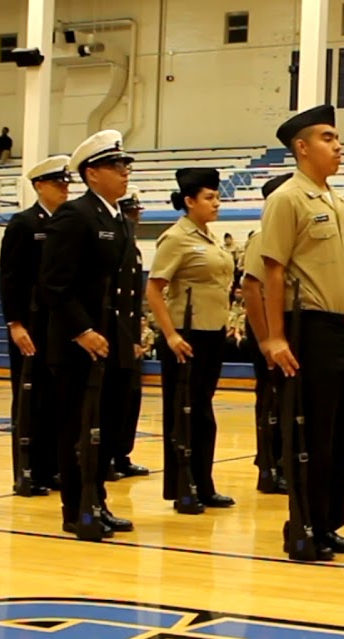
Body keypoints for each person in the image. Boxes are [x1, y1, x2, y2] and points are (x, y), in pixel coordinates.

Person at [258, 104, 344, 561]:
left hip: (343, 330)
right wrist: (275, 337)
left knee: (341, 436)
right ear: (301, 148)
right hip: (309, 328)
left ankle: (328, 523)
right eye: (327, 138)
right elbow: (272, 271)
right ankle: (301, 526)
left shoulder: (339, 203)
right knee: (311, 435)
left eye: (337, 137)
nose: (337, 145)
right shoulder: (287, 198)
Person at [40, 130, 140, 540]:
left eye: (125, 165)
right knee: (77, 426)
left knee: (107, 425)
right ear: (92, 173)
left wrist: (129, 334)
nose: (125, 173)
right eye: (116, 166)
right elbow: (53, 284)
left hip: (111, 339)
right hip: (78, 344)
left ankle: (97, 499)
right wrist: (82, 330)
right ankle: (77, 508)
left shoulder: (115, 217)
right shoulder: (75, 215)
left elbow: (123, 285)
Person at [144, 168, 237, 512]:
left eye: (217, 196)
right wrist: (169, 334)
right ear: (189, 201)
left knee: (203, 412)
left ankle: (204, 482)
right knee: (182, 411)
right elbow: (154, 290)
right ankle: (182, 486)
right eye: (209, 197)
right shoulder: (176, 238)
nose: (216, 203)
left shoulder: (209, 237)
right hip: (186, 335)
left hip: (212, 334)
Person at [0, 155, 71, 496]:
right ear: (40, 185)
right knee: (29, 398)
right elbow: (11, 277)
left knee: (56, 400)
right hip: (30, 323)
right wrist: (15, 322)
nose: (64, 189)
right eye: (58, 183)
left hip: (57, 324)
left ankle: (50, 467)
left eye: (67, 183)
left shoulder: (67, 223)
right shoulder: (24, 224)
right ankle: (26, 471)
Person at [241, 173, 293, 495]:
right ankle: (269, 466)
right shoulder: (263, 238)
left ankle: (281, 462)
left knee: (285, 400)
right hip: (267, 328)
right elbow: (251, 288)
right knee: (271, 399)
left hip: (282, 326)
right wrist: (264, 340)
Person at [114, 185, 150, 479]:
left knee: (131, 398)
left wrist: (137, 338)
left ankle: (122, 454)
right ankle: (110, 456)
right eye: (131, 211)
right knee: (114, 398)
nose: (135, 217)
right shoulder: (115, 246)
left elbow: (135, 299)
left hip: (131, 334)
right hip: (115, 334)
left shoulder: (134, 248)